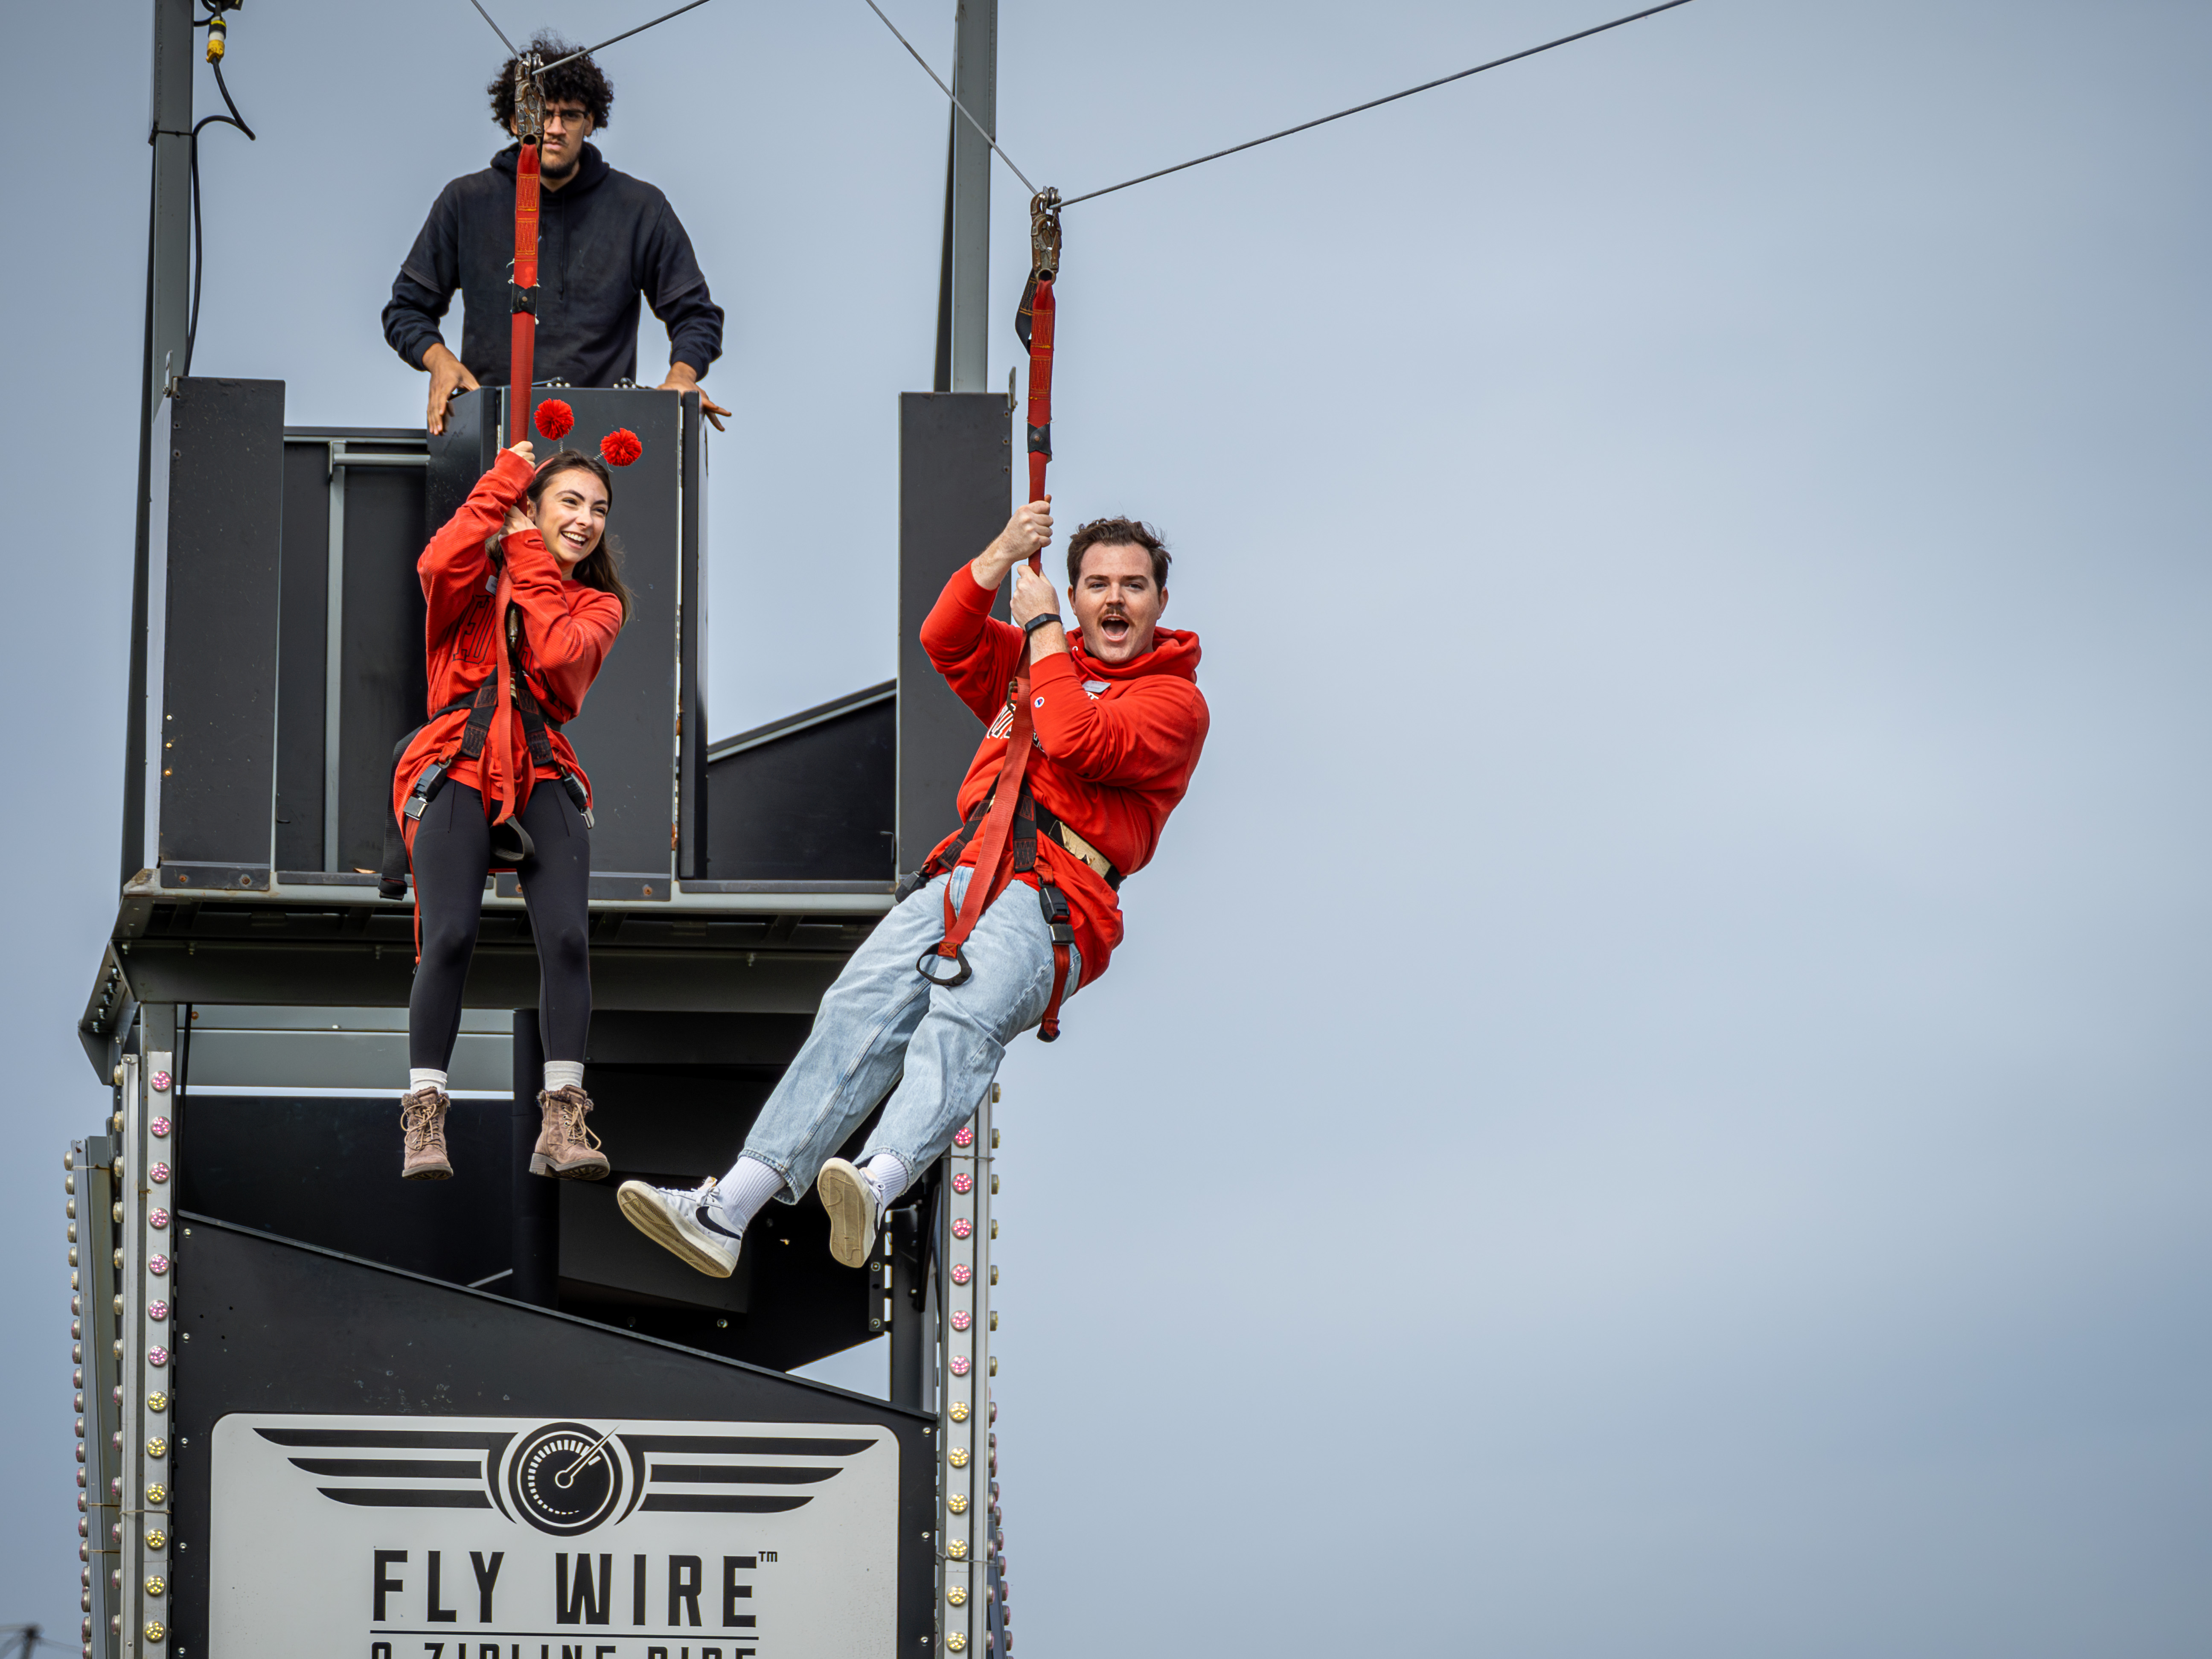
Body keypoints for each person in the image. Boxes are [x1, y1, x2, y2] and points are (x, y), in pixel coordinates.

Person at [617, 501, 1209, 1274]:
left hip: (1054, 895)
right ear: (1072, 593)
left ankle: (879, 1176)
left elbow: (1074, 737)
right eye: (1095, 583)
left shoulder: (1171, 700)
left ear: (1160, 602)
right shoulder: (1043, 660)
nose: (1113, 600)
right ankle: (727, 1208)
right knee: (854, 1010)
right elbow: (946, 636)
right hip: (964, 873)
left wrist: (1041, 635)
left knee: (961, 1019)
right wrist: (1001, 551)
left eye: (1132, 586)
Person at [394, 438, 631, 1181]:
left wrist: (526, 546)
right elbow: (436, 565)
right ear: (533, 505)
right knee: (452, 934)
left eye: (598, 508)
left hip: (539, 762)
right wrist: (499, 486)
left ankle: (562, 1117)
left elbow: (561, 656)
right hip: (457, 757)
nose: (586, 519)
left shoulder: (598, 603)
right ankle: (424, 1109)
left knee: (566, 937)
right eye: (570, 500)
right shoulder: (478, 577)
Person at [381, 31, 730, 437]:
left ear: (592, 122)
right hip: (491, 433)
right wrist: (439, 360)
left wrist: (682, 377)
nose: (555, 128)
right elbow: (406, 308)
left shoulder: (640, 208)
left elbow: (696, 314)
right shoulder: (466, 201)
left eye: (570, 115)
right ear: (516, 122)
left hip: (601, 442)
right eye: (542, 114)